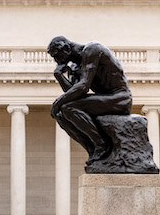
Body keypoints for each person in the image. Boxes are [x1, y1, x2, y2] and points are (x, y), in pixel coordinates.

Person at [47, 35, 133, 165]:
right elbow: (74, 94)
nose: (57, 61)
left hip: (120, 98)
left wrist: (58, 102)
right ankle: (92, 149)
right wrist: (59, 76)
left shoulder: (92, 50)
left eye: (56, 56)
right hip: (105, 99)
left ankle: (101, 144)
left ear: (66, 49)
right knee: (60, 115)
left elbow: (83, 87)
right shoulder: (76, 67)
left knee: (67, 108)